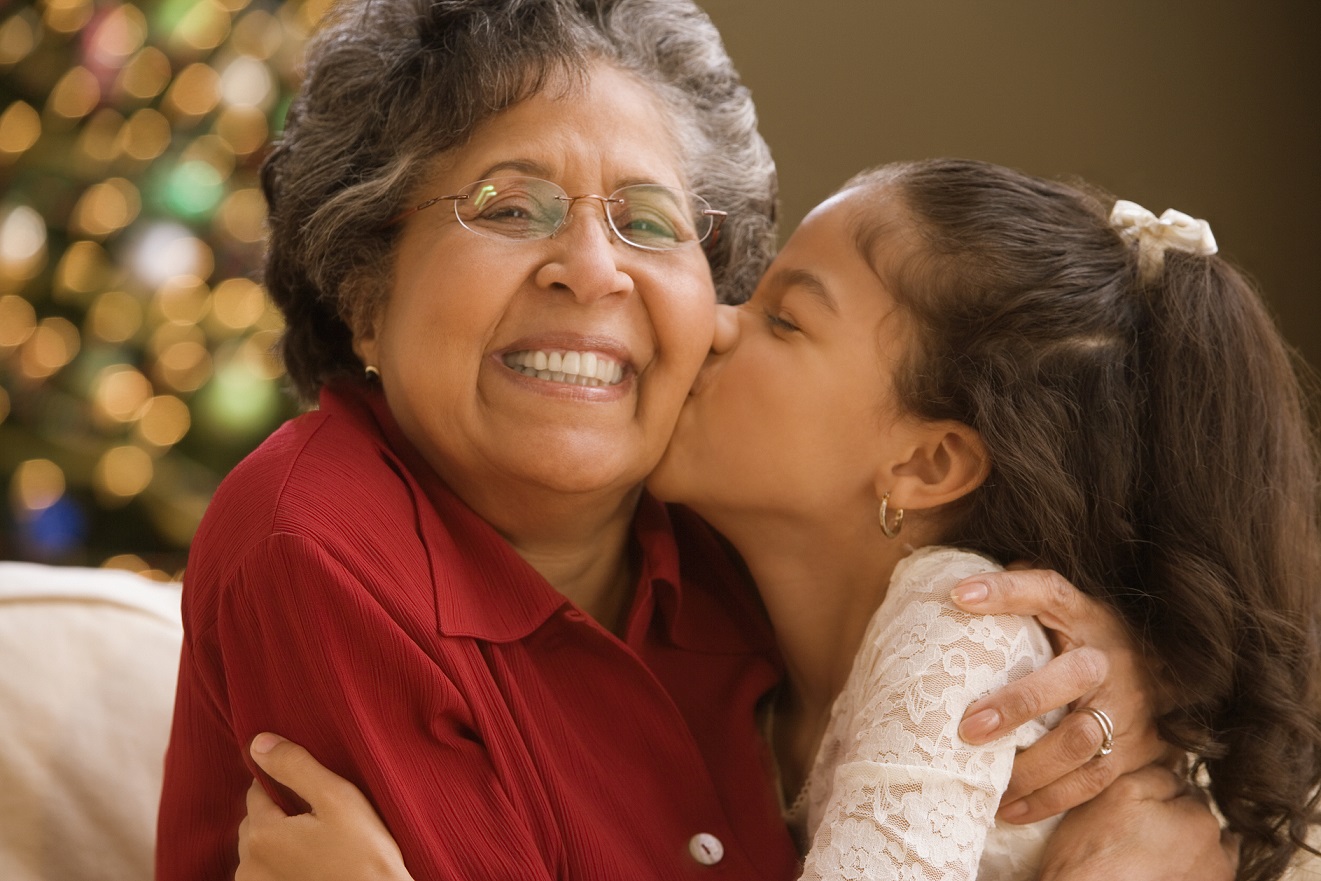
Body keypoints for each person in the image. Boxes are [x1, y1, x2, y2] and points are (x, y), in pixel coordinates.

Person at [155, 0, 1218, 876]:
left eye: (649, 222)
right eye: (510, 206)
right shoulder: (318, 543)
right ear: (363, 292)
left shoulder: (748, 537)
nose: (592, 267)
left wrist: (1128, 677)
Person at [234, 159, 1321, 881]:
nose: (707, 322)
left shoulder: (960, 632)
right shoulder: (730, 594)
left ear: (929, 459)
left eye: (785, 320)